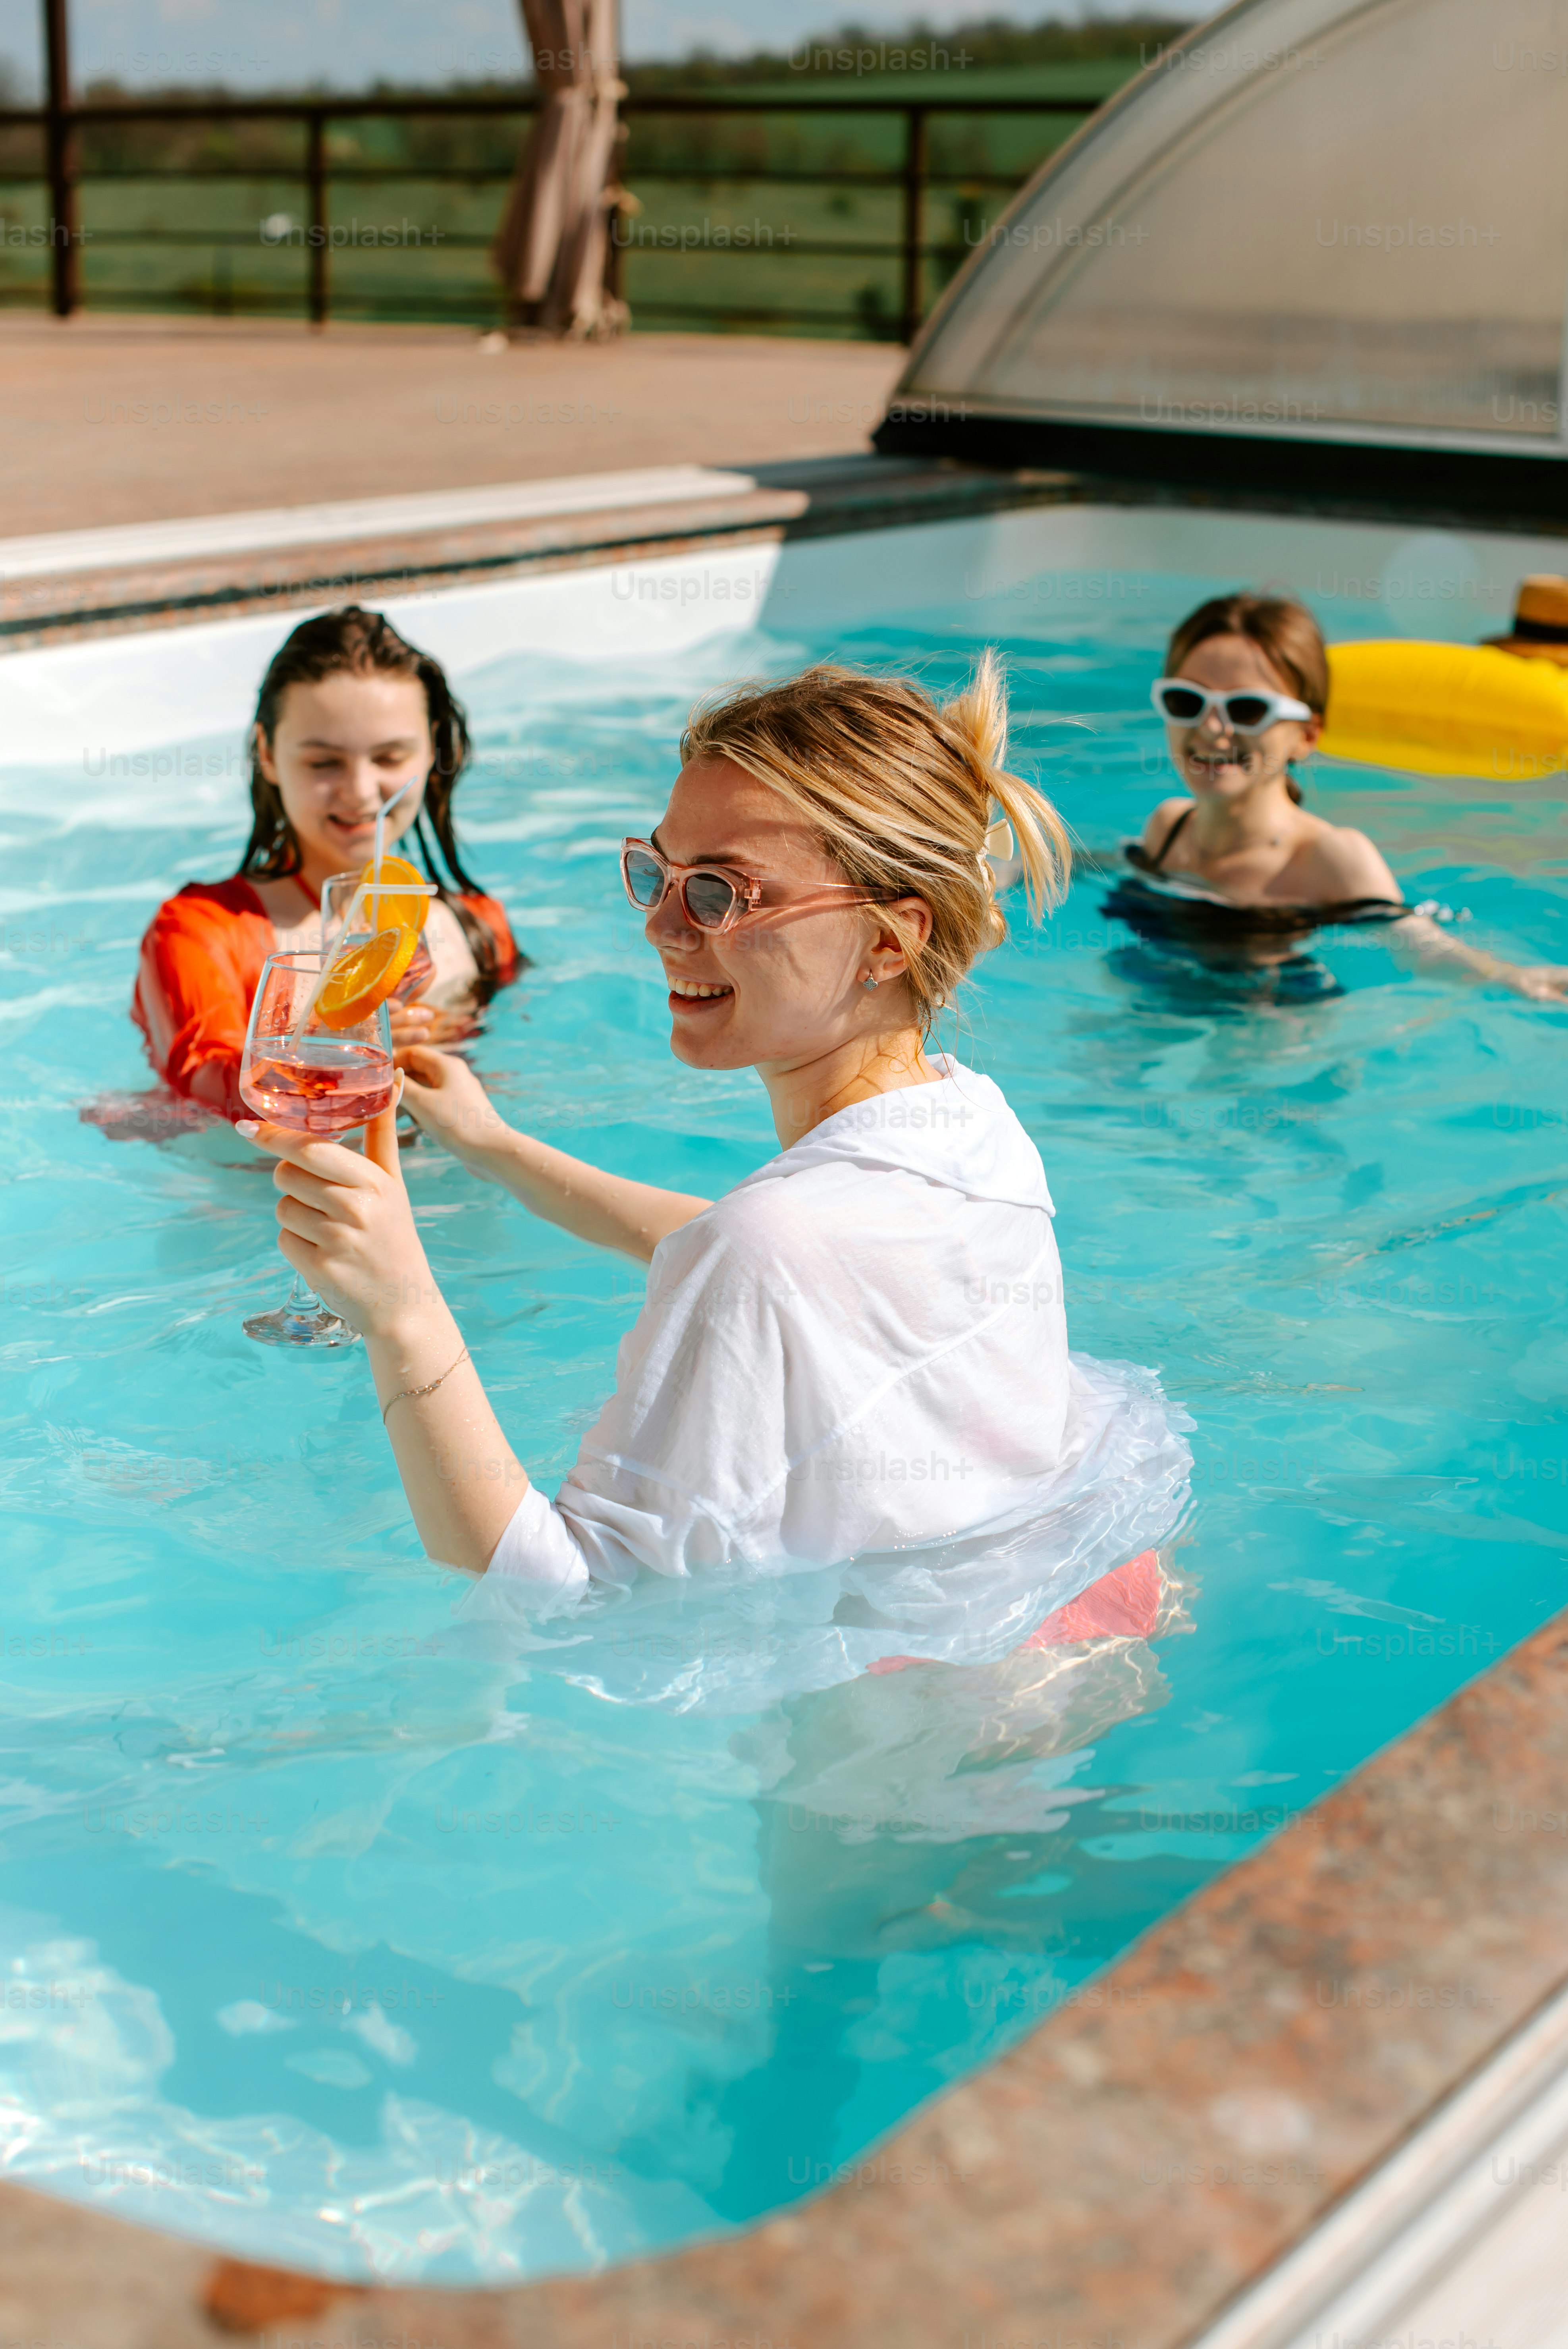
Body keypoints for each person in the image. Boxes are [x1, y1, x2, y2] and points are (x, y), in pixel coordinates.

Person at [238, 658, 1190, 1682]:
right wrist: (498, 1148)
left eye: (719, 893)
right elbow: (758, 1262)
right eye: (657, 872)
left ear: (885, 937)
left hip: (903, 1763)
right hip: (1057, 1654)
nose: (660, 926)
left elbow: (569, 1601)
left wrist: (403, 1313)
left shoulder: (772, 1248)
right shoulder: (973, 1130)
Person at [130, 606, 522, 1119]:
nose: (361, 793)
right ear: (267, 754)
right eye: (323, 762)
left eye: (390, 757)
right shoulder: (200, 932)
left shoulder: (481, 927)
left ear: (431, 751)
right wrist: (318, 1048)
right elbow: (200, 1084)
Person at [1107, 591, 1568, 1001]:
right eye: (1187, 702)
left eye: (1247, 709)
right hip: (1159, 992)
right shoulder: (1169, 828)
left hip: (1271, 1020)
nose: (1210, 728)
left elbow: (1422, 949)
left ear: (1307, 735)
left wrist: (1512, 976)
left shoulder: (1327, 857)